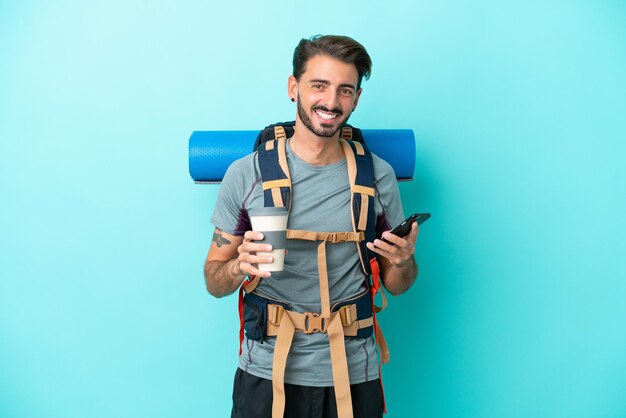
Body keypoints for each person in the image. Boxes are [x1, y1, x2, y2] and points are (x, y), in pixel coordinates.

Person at [204, 34, 419, 418]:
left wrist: (403, 263)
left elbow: (396, 285)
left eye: (345, 90)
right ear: (294, 88)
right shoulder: (247, 175)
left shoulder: (377, 177)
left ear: (355, 99)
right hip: (266, 373)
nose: (331, 102)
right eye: (318, 85)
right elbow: (213, 280)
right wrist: (237, 266)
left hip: (354, 372)